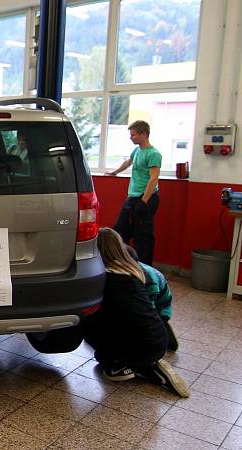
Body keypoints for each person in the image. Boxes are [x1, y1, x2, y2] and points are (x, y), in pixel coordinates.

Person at [82, 228, 189, 397]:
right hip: (159, 340)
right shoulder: (136, 272)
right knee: (135, 321)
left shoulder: (102, 280)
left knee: (88, 322)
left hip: (134, 347)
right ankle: (147, 364)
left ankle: (121, 367)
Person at [106, 120, 161, 265]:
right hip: (133, 198)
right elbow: (128, 162)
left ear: (144, 134)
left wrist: (144, 201)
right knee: (120, 231)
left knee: (142, 236)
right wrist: (114, 172)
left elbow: (154, 179)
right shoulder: (137, 150)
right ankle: (122, 264)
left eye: (133, 135)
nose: (131, 137)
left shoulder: (154, 154)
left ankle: (144, 268)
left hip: (146, 199)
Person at [125, 245, 178, 352]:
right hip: (152, 298)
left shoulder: (149, 279)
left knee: (154, 324)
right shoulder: (134, 271)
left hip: (161, 308)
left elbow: (149, 309)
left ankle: (168, 338)